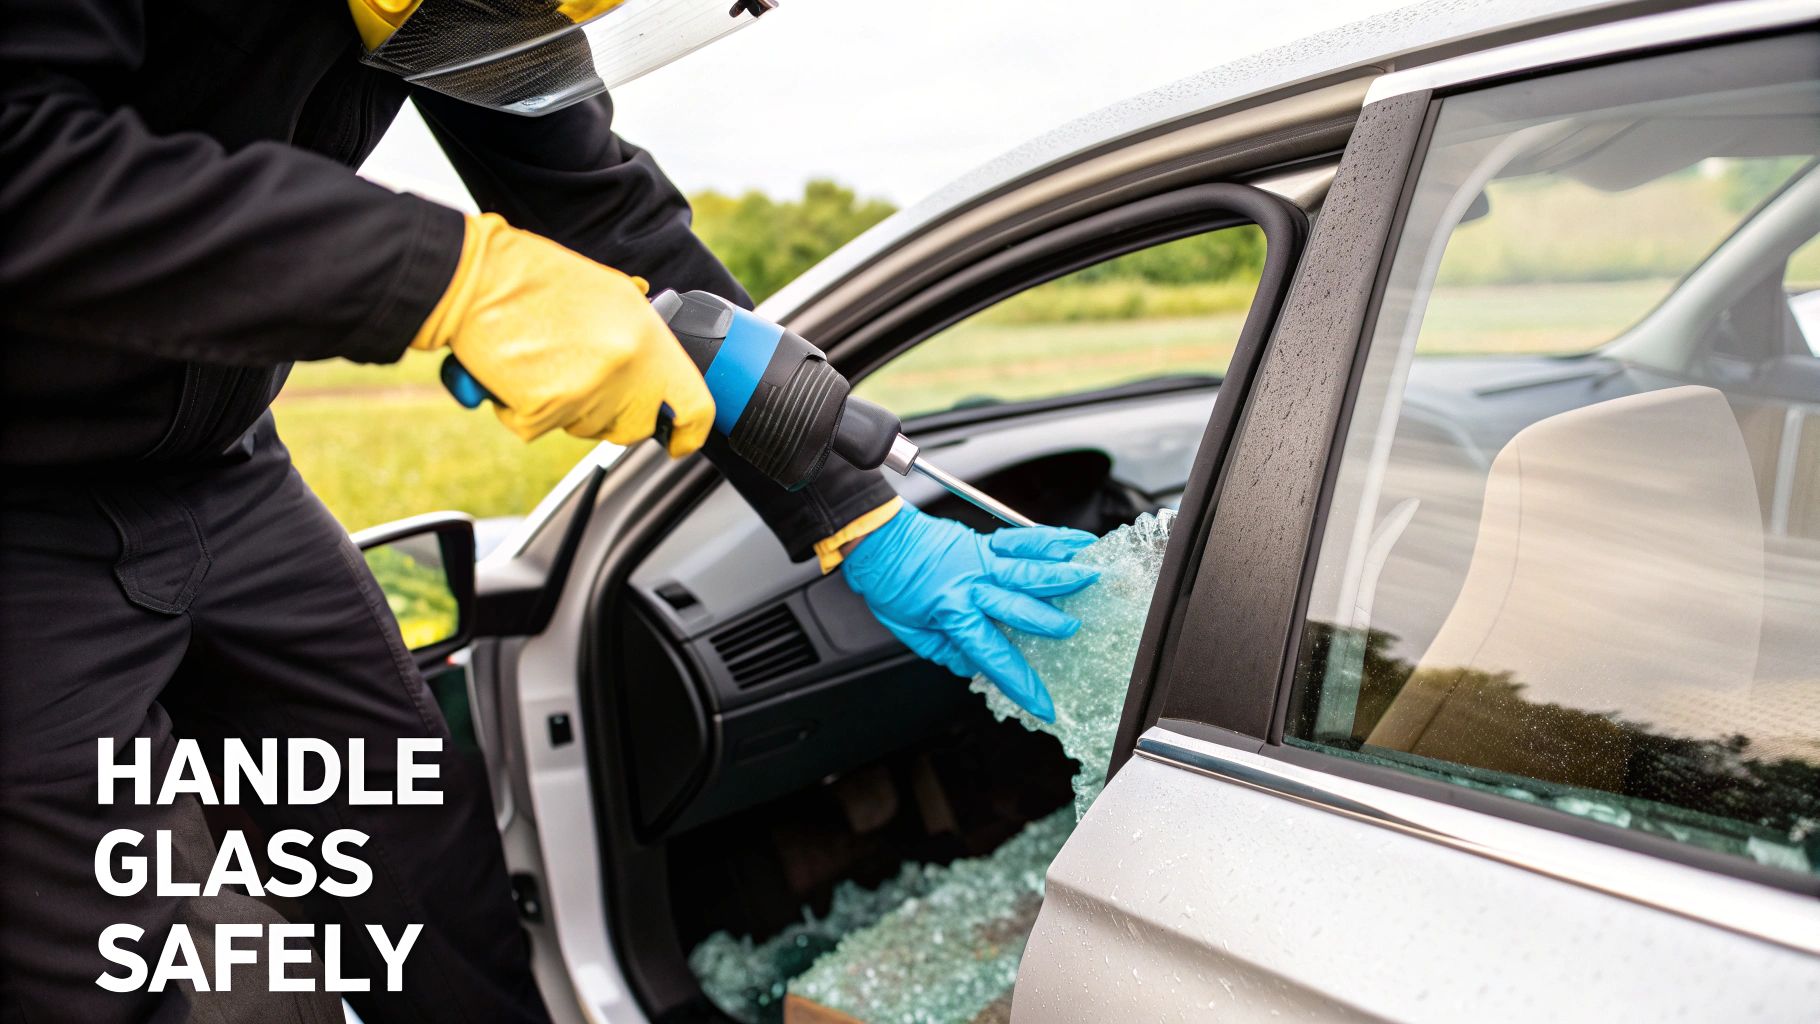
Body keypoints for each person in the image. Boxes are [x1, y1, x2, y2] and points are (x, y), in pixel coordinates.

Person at [0, 1, 1099, 1021]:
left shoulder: (455, 14)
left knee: (426, 879)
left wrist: (859, 511)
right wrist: (454, 284)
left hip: (222, 469)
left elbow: (601, 211)